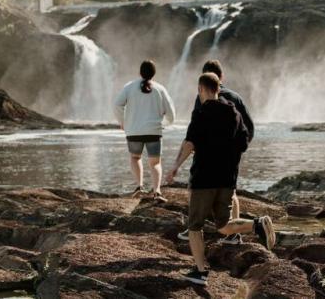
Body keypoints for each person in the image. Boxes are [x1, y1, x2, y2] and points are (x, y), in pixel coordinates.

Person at [165, 73, 275, 286]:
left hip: (204, 178)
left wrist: (175, 167)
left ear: (201, 89)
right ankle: (257, 224)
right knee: (223, 225)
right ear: (219, 87)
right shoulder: (234, 112)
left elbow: (189, 143)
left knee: (195, 227)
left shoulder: (201, 113)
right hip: (227, 178)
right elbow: (243, 143)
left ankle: (200, 272)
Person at [176, 60, 255, 245]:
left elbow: (194, 132)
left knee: (194, 188)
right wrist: (237, 151)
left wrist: (179, 161)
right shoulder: (236, 98)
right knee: (231, 192)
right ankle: (234, 234)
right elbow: (248, 128)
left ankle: (194, 228)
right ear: (221, 77)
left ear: (202, 85)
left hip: (207, 161)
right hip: (230, 159)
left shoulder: (203, 99)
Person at [114, 60, 175, 202]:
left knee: (135, 158)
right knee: (155, 163)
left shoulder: (129, 87)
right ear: (154, 74)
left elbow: (117, 104)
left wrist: (123, 122)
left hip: (133, 131)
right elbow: (171, 113)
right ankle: (157, 191)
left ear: (139, 72)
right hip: (154, 131)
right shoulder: (160, 89)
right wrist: (163, 124)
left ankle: (139, 187)